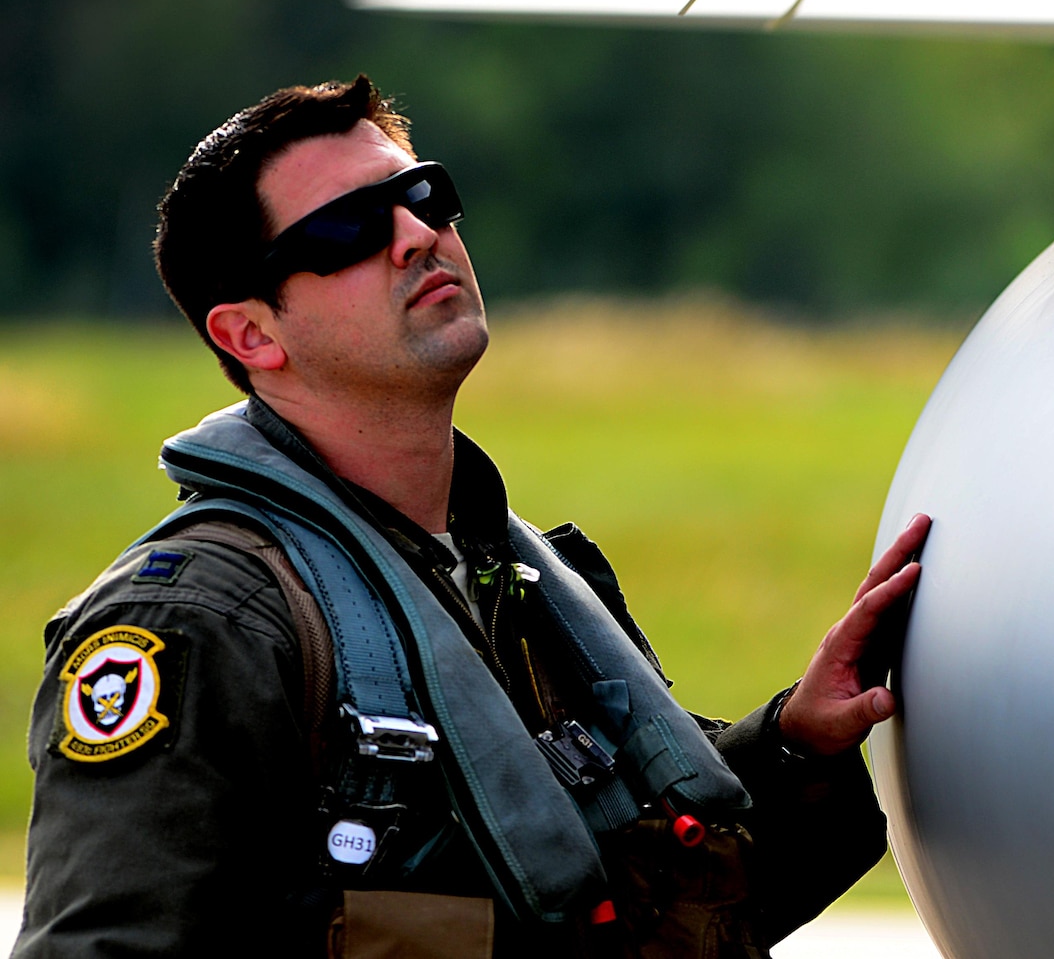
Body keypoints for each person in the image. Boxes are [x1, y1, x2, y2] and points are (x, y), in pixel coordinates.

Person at [15, 75, 931, 957]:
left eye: (425, 195)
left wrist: (796, 743)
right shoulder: (196, 627)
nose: (416, 234)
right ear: (251, 334)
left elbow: (654, 914)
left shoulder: (521, 583)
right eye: (349, 228)